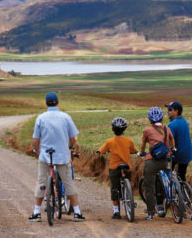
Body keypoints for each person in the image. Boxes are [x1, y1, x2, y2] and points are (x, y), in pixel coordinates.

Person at [28, 92, 85, 222]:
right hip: (63, 156)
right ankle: (77, 213)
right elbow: (72, 138)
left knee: (41, 182)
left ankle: (36, 212)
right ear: (58, 102)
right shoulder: (66, 117)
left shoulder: (41, 118)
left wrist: (38, 151)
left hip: (45, 156)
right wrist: (69, 147)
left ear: (46, 103)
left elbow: (36, 140)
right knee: (68, 182)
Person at [97, 117, 138, 219]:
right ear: (124, 130)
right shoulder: (129, 141)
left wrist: (99, 152)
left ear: (112, 129)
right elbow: (134, 151)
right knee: (128, 181)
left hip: (115, 167)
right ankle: (129, 196)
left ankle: (116, 211)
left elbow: (101, 151)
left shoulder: (109, 141)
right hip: (127, 166)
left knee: (114, 188)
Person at [140, 107, 175, 220]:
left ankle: (151, 213)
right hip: (165, 160)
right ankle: (170, 201)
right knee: (168, 182)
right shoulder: (166, 128)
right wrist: (173, 149)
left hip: (152, 161)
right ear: (161, 117)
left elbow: (143, 145)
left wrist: (141, 153)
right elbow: (172, 141)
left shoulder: (147, 130)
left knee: (149, 188)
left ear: (150, 119)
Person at [164, 101, 192, 182]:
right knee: (181, 175)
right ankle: (184, 192)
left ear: (176, 111)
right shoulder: (185, 121)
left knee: (167, 174)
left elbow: (169, 141)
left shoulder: (172, 125)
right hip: (187, 153)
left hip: (177, 154)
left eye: (170, 109)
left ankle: (169, 192)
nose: (167, 111)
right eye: (167, 109)